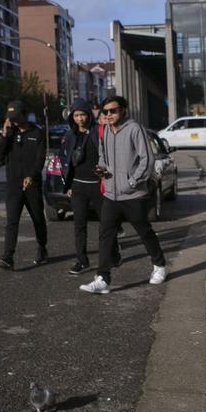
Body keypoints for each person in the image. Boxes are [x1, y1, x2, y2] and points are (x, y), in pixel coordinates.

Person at [80, 96, 167, 294]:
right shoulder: (106, 132)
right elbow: (103, 156)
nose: (109, 115)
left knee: (144, 231)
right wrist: (101, 169)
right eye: (105, 112)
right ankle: (103, 278)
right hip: (111, 194)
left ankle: (160, 265)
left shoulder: (134, 129)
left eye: (113, 111)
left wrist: (132, 181)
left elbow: (147, 159)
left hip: (133, 194)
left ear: (124, 111)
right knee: (105, 234)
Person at [0, 100, 49, 269]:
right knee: (12, 221)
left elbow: (40, 159)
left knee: (38, 219)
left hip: (32, 185)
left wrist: (32, 176)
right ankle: (8, 257)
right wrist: (4, 134)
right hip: (13, 186)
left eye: (17, 117)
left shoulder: (37, 133)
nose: (15, 121)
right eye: (12, 118)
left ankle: (42, 248)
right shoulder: (10, 134)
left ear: (25, 115)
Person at [60, 98, 104, 275]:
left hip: (98, 185)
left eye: (83, 114)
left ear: (88, 115)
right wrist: (68, 184)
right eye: (76, 115)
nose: (80, 119)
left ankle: (112, 254)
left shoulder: (97, 132)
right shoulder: (70, 135)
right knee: (79, 225)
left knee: (107, 223)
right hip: (78, 187)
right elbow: (65, 160)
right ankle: (81, 260)